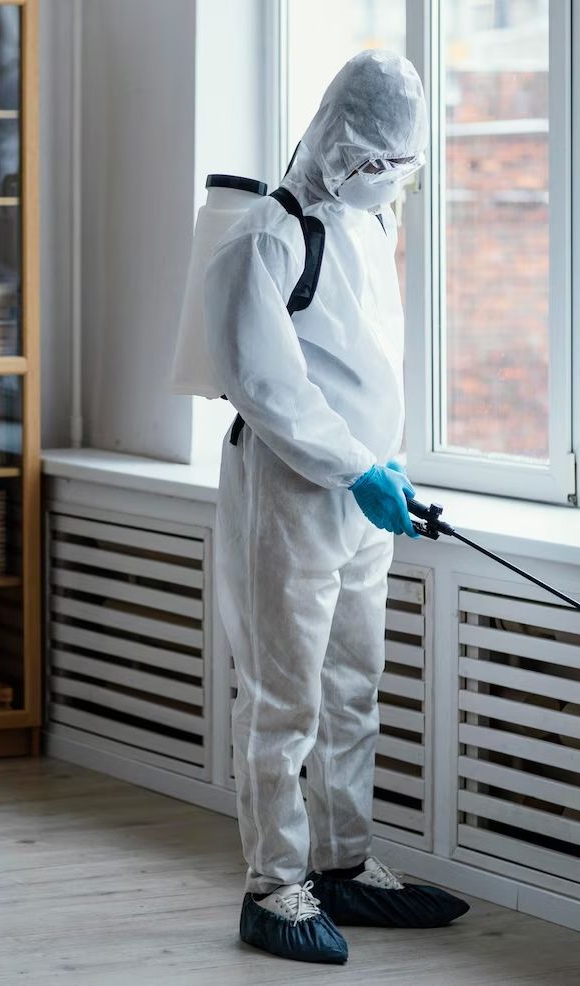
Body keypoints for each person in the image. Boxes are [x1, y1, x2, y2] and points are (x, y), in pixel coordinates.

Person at [204, 51, 469, 965]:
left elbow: (361, 362)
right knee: (284, 695)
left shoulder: (367, 225)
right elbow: (265, 385)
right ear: (334, 141)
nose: (384, 178)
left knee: (354, 684)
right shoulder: (266, 236)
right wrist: (354, 466)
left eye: (398, 165)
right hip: (289, 492)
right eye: (372, 161)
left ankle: (344, 864)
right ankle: (274, 884)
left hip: (363, 493)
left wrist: (381, 467)